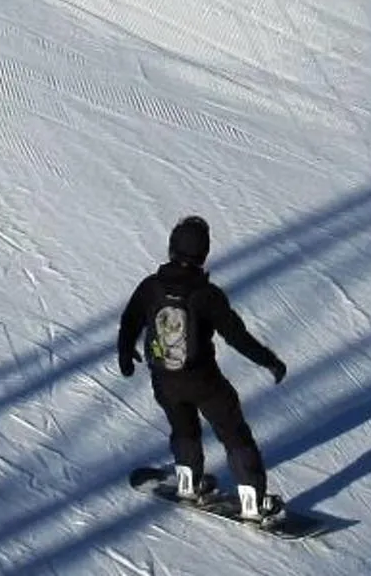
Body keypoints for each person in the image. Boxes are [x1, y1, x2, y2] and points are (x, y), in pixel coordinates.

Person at [118, 217, 288, 524]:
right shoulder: (207, 295)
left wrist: (125, 354)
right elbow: (237, 336)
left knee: (183, 427)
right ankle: (253, 501)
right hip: (203, 381)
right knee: (233, 433)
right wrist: (269, 360)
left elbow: (130, 320)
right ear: (204, 254)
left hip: (164, 380)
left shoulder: (151, 287)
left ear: (171, 247)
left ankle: (188, 482)